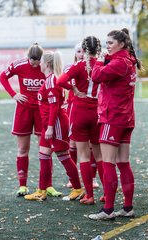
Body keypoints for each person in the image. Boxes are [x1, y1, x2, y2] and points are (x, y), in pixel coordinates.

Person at [88, 28, 143, 220]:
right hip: (125, 117)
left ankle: (108, 209)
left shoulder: (119, 62)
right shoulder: (128, 59)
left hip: (113, 117)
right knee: (123, 163)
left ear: (121, 43)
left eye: (110, 42)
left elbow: (95, 76)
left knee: (109, 163)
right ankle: (127, 208)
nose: (107, 46)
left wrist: (100, 60)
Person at [0, 43, 61, 197]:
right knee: (22, 148)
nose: (34, 64)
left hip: (42, 111)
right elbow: (3, 76)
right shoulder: (19, 64)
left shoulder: (46, 67)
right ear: (27, 57)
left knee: (46, 149)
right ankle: (22, 186)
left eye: (36, 62)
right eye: (31, 61)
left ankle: (48, 186)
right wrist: (13, 94)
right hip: (24, 109)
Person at [24, 50, 84, 201]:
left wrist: (50, 127)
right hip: (48, 124)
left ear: (47, 64)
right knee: (43, 156)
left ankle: (77, 188)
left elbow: (54, 107)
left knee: (63, 156)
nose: (40, 64)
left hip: (55, 124)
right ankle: (41, 191)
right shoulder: (49, 79)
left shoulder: (51, 81)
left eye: (42, 61)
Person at [57, 36, 104, 205]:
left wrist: (74, 89)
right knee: (98, 155)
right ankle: (106, 194)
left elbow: (60, 81)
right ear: (98, 49)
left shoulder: (78, 66)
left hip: (79, 112)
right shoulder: (103, 64)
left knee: (83, 155)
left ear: (83, 50)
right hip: (97, 112)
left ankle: (89, 196)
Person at [65, 43, 84, 188]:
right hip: (72, 107)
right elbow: (61, 82)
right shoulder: (69, 68)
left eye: (83, 51)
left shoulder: (92, 67)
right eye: (78, 51)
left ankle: (93, 177)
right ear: (75, 53)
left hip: (89, 107)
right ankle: (73, 177)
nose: (81, 54)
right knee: (72, 143)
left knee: (89, 144)